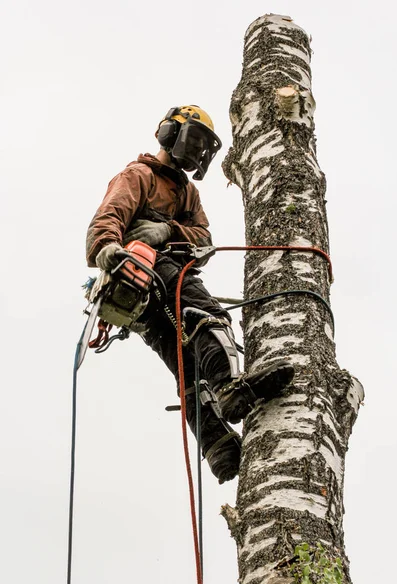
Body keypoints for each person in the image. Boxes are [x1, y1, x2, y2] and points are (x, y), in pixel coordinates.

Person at [86, 105, 294, 484]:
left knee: (187, 364)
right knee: (205, 315)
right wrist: (107, 247)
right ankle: (231, 387)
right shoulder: (140, 175)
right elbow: (109, 216)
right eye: (194, 140)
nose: (197, 152)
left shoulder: (187, 193)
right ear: (169, 134)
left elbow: (204, 241)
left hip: (156, 283)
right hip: (148, 271)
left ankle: (219, 448)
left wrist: (166, 231)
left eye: (204, 147)